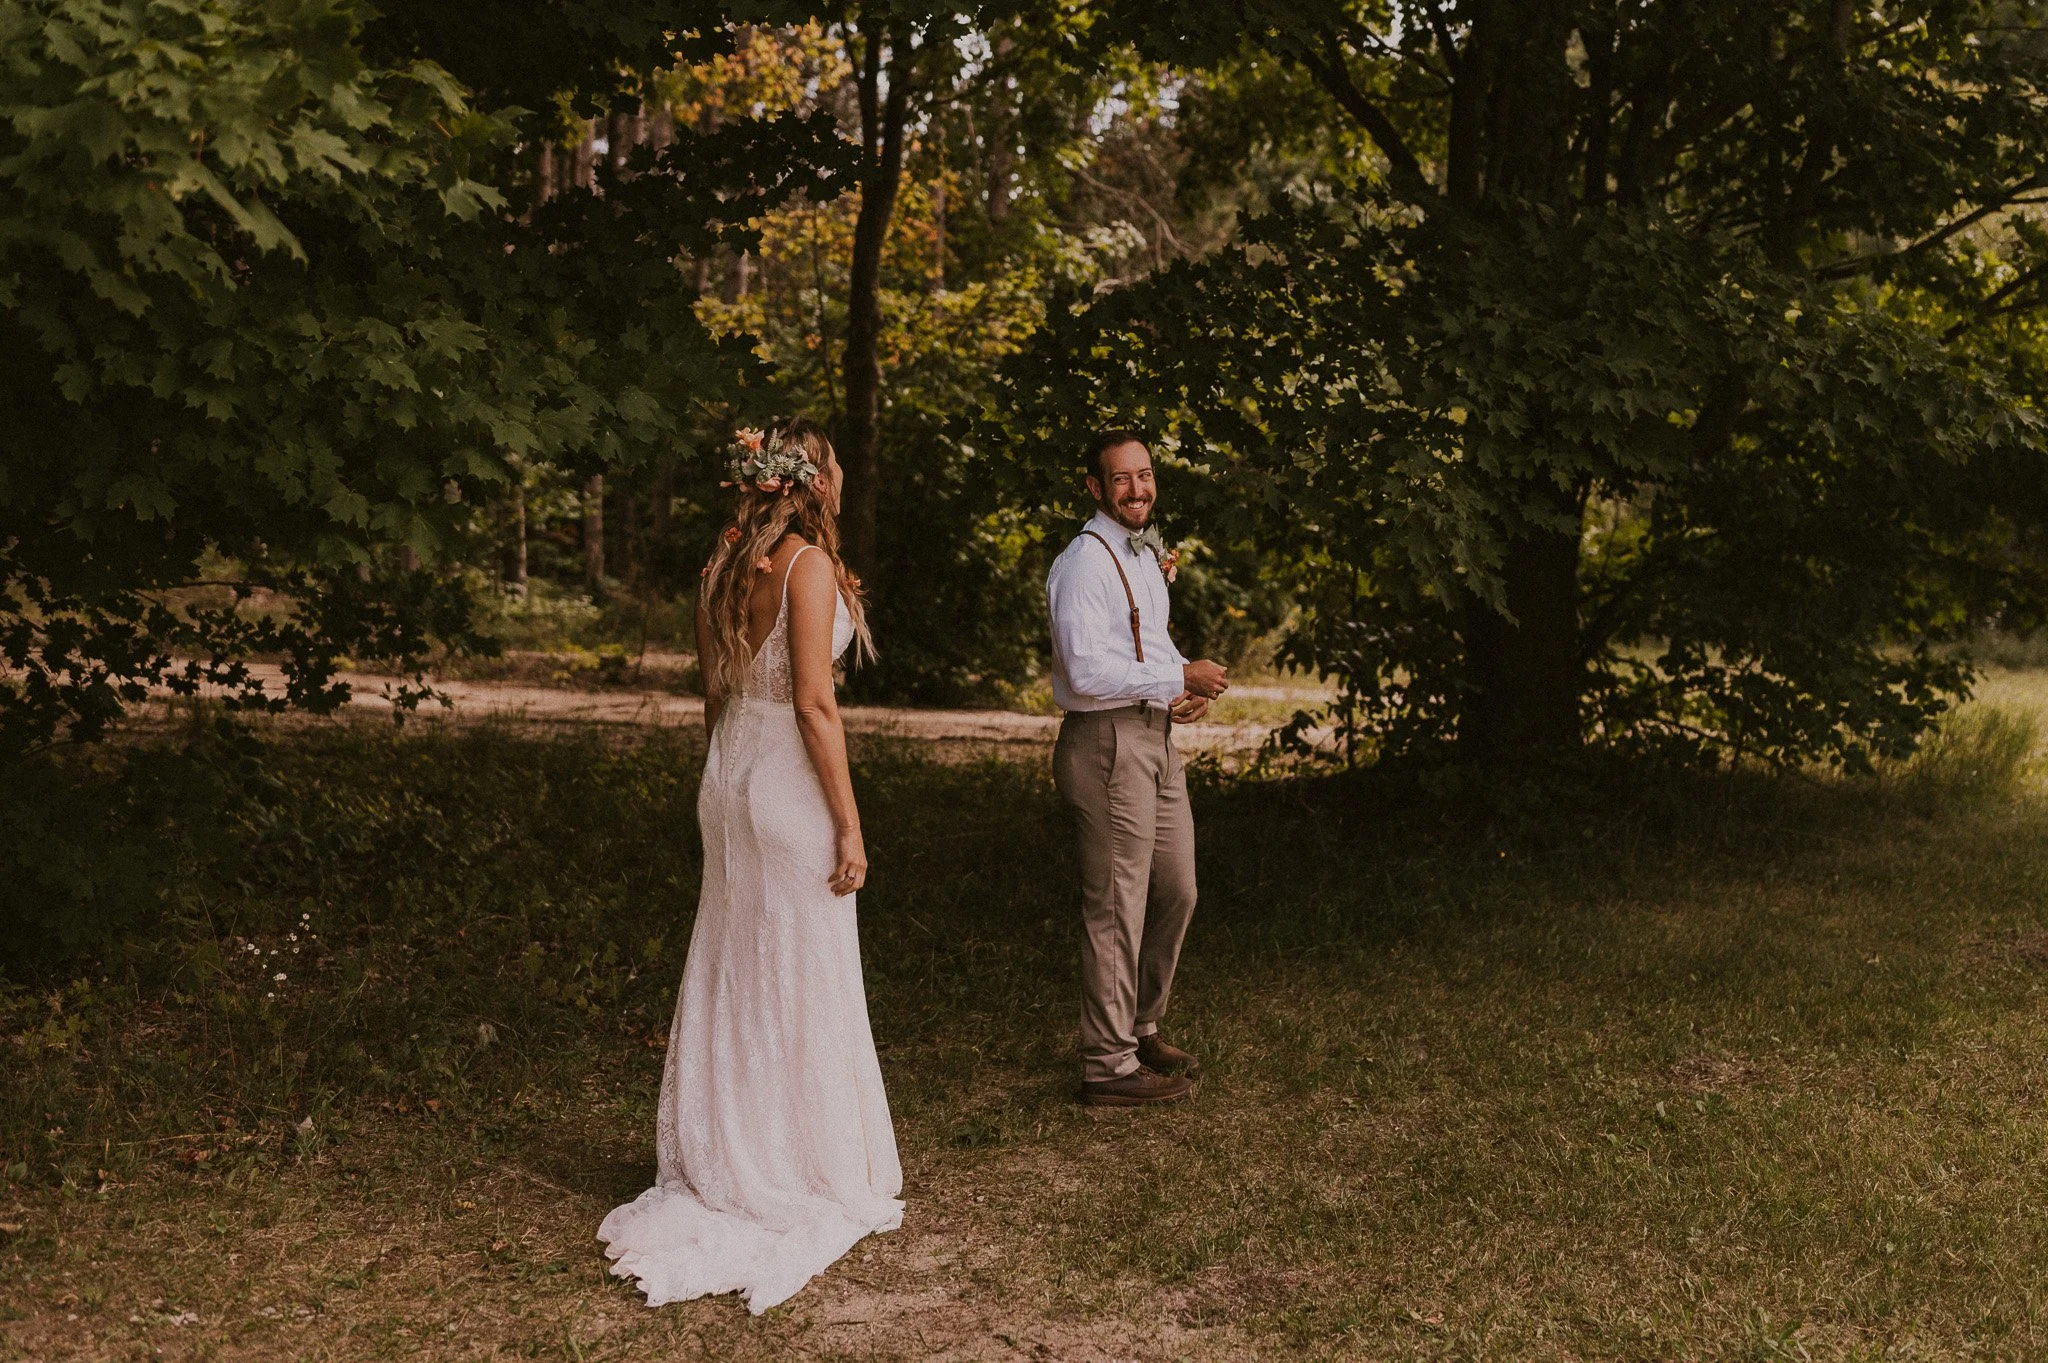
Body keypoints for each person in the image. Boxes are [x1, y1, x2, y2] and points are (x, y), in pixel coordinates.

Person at [598, 418, 901, 1313]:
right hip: (783, 781)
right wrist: (848, 824)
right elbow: (814, 704)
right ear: (813, 477)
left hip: (728, 771)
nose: (841, 474)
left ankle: (731, 1147)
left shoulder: (725, 562)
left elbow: (714, 693)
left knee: (737, 961)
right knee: (801, 966)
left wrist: (723, 779)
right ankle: (792, 1161)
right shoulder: (805, 565)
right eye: (834, 462)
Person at [1045, 431, 1231, 1107]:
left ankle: (1139, 1025)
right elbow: (1086, 668)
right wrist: (1178, 672)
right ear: (1095, 487)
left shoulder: (1143, 555)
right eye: (1121, 479)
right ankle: (1106, 1064)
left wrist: (1175, 688)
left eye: (1145, 475)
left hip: (1154, 739)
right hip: (1105, 744)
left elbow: (1145, 643)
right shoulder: (1082, 565)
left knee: (1178, 888)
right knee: (1115, 904)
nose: (1137, 489)